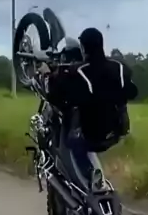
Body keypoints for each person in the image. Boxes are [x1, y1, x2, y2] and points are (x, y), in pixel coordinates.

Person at [43, 27, 138, 184]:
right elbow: (133, 92)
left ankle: (89, 173)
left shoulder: (78, 72)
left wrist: (50, 75)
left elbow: (55, 97)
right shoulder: (119, 67)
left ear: (83, 48)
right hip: (117, 132)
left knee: (70, 141)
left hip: (91, 137)